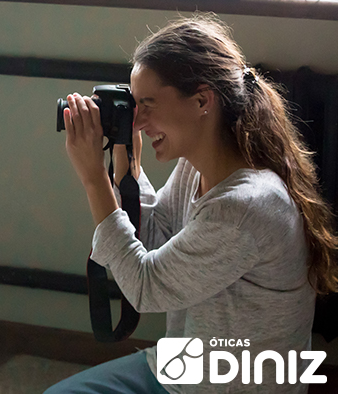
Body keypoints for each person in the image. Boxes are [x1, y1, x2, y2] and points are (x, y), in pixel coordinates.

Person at [46, 13, 338, 394]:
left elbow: (145, 286)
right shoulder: (196, 168)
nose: (139, 120)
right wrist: (125, 160)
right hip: (182, 371)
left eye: (147, 104)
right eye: (134, 105)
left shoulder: (246, 206)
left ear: (202, 100)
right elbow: (154, 236)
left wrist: (92, 179)